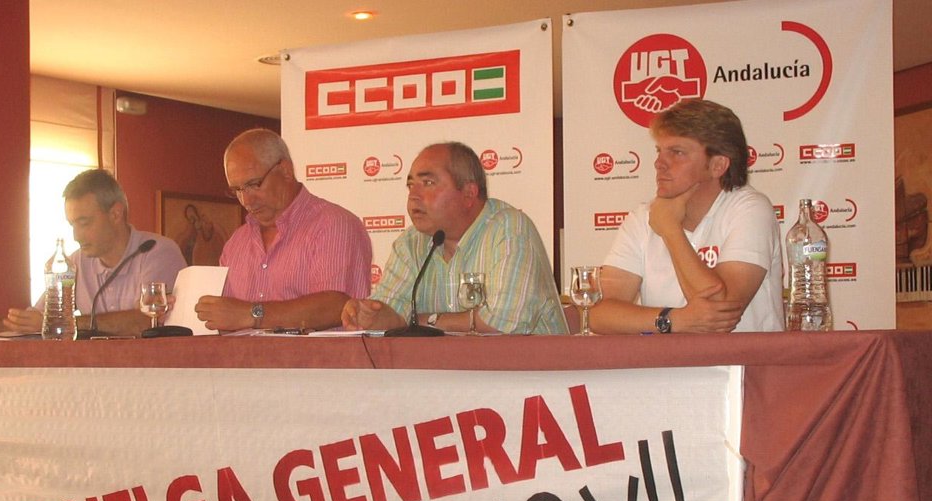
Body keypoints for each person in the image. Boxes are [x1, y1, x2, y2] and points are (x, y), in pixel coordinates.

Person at [591, 98, 784, 334]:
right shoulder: (642, 217)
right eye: (659, 151)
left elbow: (719, 313)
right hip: (671, 359)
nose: (659, 163)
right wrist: (671, 320)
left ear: (718, 165)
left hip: (745, 358)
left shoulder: (751, 209)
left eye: (677, 152)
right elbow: (598, 312)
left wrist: (670, 230)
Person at [341, 142, 566, 335]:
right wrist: (369, 315)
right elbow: (393, 312)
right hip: (449, 370)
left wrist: (425, 321)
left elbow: (505, 322)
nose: (413, 196)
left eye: (428, 183)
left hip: (529, 370)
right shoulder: (410, 243)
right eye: (410, 185)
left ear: (468, 194)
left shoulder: (509, 228)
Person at [0, 169, 187, 336]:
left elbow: (147, 321)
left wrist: (65, 323)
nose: (76, 235)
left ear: (116, 214)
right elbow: (37, 320)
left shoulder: (157, 252)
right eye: (72, 224)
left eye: (84, 223)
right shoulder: (76, 263)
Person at [194, 128, 371, 332]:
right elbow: (225, 320)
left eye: (254, 184)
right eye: (237, 190)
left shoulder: (334, 225)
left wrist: (252, 314)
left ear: (286, 170)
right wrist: (186, 313)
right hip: (243, 354)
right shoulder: (236, 243)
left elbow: (336, 307)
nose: (246, 200)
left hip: (319, 354)